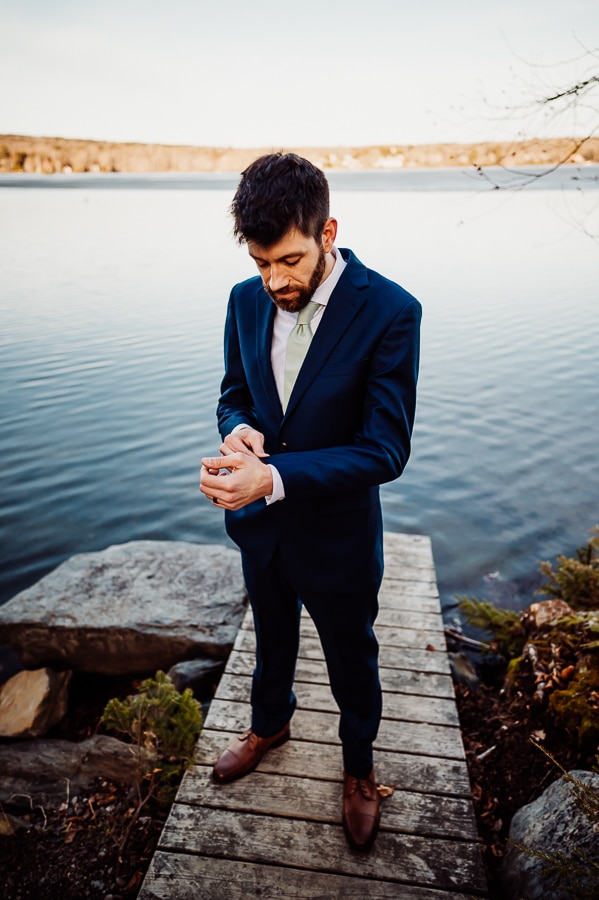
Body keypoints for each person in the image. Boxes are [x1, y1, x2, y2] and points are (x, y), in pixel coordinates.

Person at [199, 152, 421, 851]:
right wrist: (237, 430)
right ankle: (271, 724)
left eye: (289, 261)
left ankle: (357, 769)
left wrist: (275, 478)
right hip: (259, 531)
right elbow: (233, 391)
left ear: (328, 231)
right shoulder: (243, 299)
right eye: (262, 263)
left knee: (352, 655)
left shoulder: (390, 311)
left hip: (339, 536)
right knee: (269, 637)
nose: (275, 281)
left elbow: (384, 450)